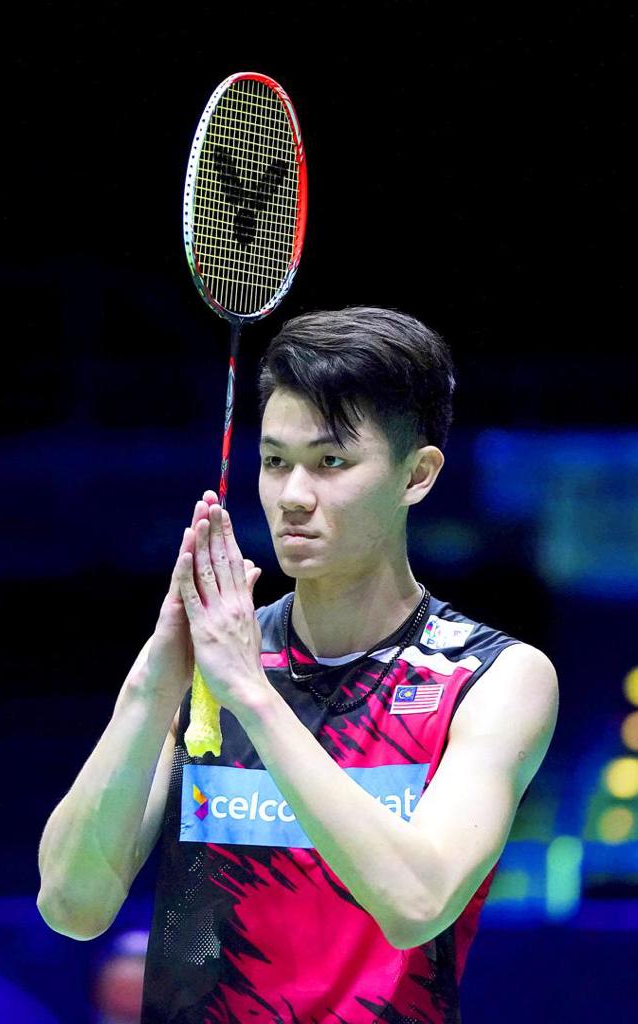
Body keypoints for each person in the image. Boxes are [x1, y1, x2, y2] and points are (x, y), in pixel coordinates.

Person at [37, 306, 559, 1023]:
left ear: (417, 474)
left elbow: (417, 902)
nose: (292, 496)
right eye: (275, 461)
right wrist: (151, 685)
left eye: (331, 463)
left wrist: (252, 696)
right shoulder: (215, 663)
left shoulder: (492, 678)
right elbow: (71, 907)